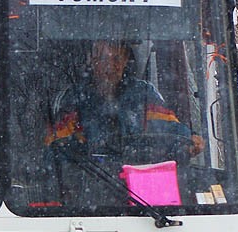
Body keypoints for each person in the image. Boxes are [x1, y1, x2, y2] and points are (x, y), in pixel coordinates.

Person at [45, 39, 204, 161]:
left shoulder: (143, 94)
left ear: (125, 61)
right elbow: (56, 149)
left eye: (116, 59)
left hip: (139, 183)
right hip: (89, 185)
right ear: (92, 62)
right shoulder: (73, 99)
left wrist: (190, 139)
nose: (110, 66)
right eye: (103, 59)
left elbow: (170, 130)